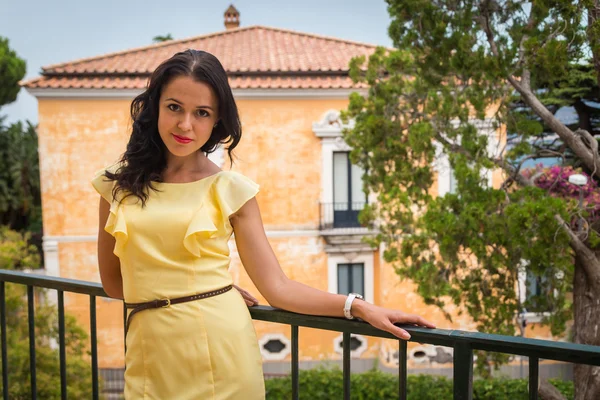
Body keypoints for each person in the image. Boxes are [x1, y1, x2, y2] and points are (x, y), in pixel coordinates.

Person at [92, 49, 435, 399]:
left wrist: (358, 306)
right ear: (155, 107)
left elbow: (278, 287)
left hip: (222, 353)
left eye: (202, 113)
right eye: (174, 107)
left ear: (216, 122)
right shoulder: (115, 186)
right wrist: (191, 292)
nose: (185, 125)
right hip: (149, 357)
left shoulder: (231, 189)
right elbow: (114, 282)